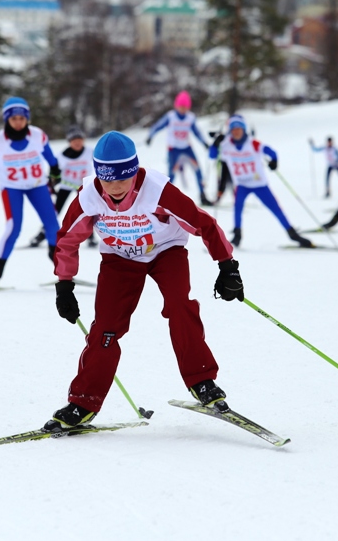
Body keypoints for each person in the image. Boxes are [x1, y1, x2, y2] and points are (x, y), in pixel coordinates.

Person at [44, 131, 243, 431]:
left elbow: (204, 223)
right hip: (119, 259)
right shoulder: (88, 196)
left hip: (166, 251)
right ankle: (83, 402)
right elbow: (67, 241)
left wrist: (227, 266)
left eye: (125, 177)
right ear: (98, 175)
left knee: (180, 307)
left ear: (135, 171)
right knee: (106, 329)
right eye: (108, 179)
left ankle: (202, 380)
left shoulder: (157, 191)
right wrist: (64, 286)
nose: (116, 187)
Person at [0, 97, 62, 288]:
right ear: (7, 120)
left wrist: (55, 169)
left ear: (27, 118)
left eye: (22, 118)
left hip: (37, 186)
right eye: (14, 119)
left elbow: (49, 155)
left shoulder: (37, 135)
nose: (18, 123)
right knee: (13, 228)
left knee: (53, 226)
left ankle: (62, 269)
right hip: (12, 189)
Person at [210, 115, 313, 248]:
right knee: (237, 208)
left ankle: (293, 234)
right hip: (242, 185)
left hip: (259, 184)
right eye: (233, 130)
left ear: (243, 130)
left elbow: (271, 151)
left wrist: (274, 161)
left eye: (239, 129)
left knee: (276, 209)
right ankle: (237, 236)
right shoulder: (227, 145)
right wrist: (215, 144)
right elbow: (212, 155)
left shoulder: (253, 143)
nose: (236, 132)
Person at [28, 127, 96, 248]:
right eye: (74, 140)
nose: (77, 142)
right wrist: (52, 183)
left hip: (83, 186)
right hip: (66, 186)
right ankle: (42, 234)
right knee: (55, 210)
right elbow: (54, 173)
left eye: (80, 139)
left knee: (86, 211)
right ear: (69, 142)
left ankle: (90, 237)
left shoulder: (90, 152)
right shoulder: (62, 156)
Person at [146, 91, 212, 206]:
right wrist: (150, 136)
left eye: (185, 107)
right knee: (171, 174)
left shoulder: (190, 118)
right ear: (176, 106)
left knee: (198, 171)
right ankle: (165, 198)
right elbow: (158, 126)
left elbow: (197, 132)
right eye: (181, 106)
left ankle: (203, 195)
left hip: (187, 149)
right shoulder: (170, 116)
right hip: (174, 150)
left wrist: (204, 143)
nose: (182, 109)